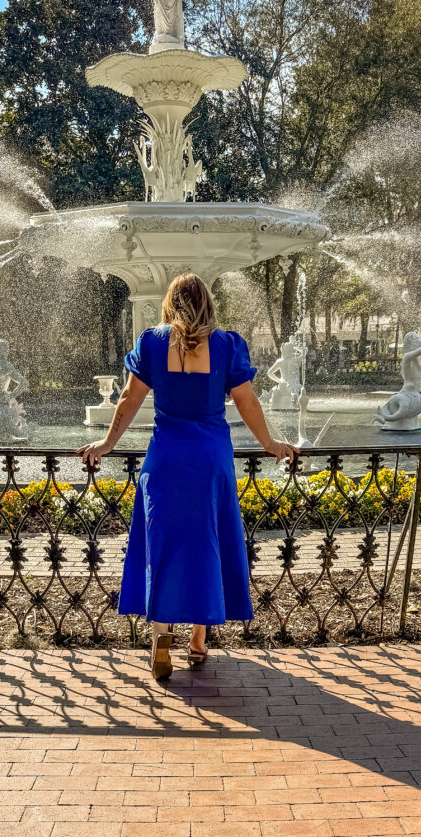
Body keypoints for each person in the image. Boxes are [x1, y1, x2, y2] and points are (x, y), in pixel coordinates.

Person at [77, 274, 298, 681]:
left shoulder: (152, 342)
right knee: (207, 542)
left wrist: (107, 444)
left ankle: (161, 637)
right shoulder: (228, 345)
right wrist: (270, 443)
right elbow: (247, 400)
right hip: (210, 458)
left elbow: (129, 398)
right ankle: (198, 640)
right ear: (208, 304)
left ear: (169, 302)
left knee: (164, 542)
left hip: (167, 458)